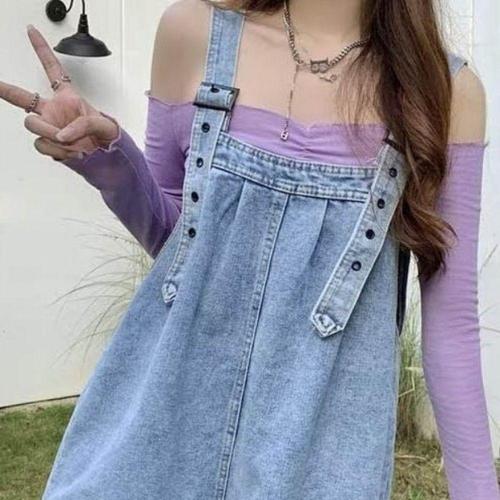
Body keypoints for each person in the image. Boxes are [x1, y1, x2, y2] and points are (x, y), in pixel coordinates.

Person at [0, 0, 498, 498]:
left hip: (320, 453)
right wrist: (109, 162)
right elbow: (180, 247)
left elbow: (451, 328)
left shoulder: (446, 93)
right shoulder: (190, 34)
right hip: (164, 422)